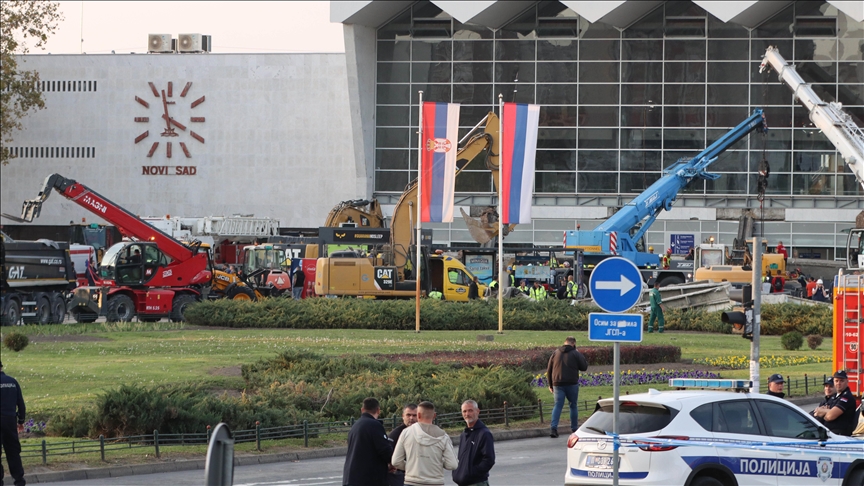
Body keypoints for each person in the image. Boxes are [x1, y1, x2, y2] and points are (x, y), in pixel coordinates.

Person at [391, 401, 457, 486]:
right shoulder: (443, 436)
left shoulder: (406, 432)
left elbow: (396, 461)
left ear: (418, 415)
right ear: (434, 416)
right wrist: (435, 463)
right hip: (435, 482)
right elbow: (452, 465)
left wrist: (411, 466)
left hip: (412, 481)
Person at [343, 397, 393, 486]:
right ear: (378, 410)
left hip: (351, 477)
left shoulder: (355, 426)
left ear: (362, 410)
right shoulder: (374, 425)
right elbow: (384, 450)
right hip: (368, 479)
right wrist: (394, 462)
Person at [546, 336, 588, 438]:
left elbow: (549, 369)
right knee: (573, 405)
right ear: (573, 343)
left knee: (558, 405)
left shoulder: (555, 353)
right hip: (571, 383)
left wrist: (550, 384)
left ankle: (553, 429)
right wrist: (578, 354)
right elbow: (584, 367)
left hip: (557, 383)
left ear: (565, 342)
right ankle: (574, 429)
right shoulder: (575, 353)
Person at [452, 400, 495, 486]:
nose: (467, 414)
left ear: (477, 411)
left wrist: (471, 473)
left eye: (470, 410)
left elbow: (489, 460)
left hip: (477, 483)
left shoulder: (484, 433)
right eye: (464, 411)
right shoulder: (464, 434)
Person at [0, 361, 26, 486]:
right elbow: (20, 403)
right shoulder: (12, 382)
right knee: (13, 452)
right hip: (10, 421)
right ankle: (19, 481)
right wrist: (21, 421)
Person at [812, 371, 858, 436]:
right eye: (836, 381)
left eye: (841, 381)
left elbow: (830, 416)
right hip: (829, 433)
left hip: (839, 435)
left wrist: (823, 412)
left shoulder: (846, 397)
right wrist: (827, 411)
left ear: (847, 382)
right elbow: (817, 413)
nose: (839, 383)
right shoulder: (834, 396)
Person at [388, 404, 418, 486]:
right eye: (408, 415)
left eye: (414, 415)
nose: (411, 418)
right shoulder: (395, 434)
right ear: (403, 416)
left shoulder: (423, 432)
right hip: (401, 476)